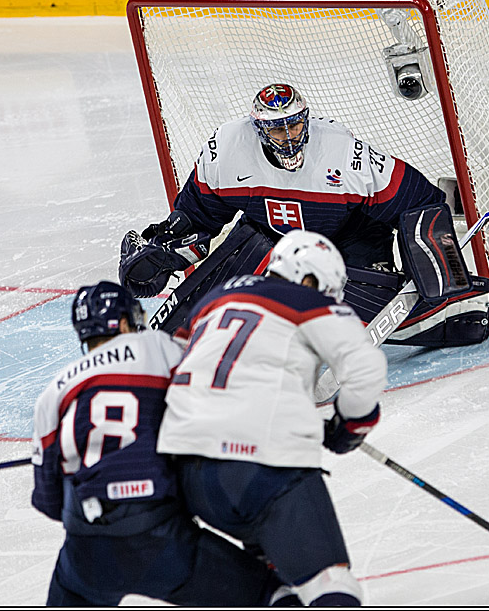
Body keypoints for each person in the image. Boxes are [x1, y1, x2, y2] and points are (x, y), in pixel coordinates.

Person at [119, 82, 489, 349]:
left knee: (395, 320)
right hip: (269, 244)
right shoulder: (227, 152)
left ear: (307, 119)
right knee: (201, 317)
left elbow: (420, 202)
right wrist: (166, 251)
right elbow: (197, 219)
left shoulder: (345, 155)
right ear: (257, 128)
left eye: (294, 124)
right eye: (275, 128)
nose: (287, 135)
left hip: (349, 240)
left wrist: (439, 273)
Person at [156, 230, 387, 606]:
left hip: (188, 472)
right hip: (263, 467)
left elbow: (170, 362)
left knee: (273, 585)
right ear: (308, 279)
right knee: (330, 585)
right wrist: (350, 425)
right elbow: (365, 368)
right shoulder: (307, 301)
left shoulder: (214, 300)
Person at [30, 281, 292, 606]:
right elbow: (212, 405)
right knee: (271, 595)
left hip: (86, 553)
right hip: (160, 543)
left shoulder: (54, 392)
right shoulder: (156, 347)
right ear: (124, 323)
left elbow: (47, 499)